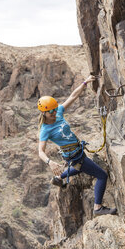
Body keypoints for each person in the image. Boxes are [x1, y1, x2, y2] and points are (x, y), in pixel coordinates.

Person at [37, 75, 117, 216]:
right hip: (74, 156)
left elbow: (72, 97)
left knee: (80, 169)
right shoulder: (45, 130)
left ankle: (60, 177)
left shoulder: (58, 113)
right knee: (102, 176)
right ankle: (98, 208)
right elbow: (40, 152)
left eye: (55, 109)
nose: (54, 112)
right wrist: (50, 162)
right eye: (51, 111)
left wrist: (85, 83)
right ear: (44, 112)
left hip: (77, 152)